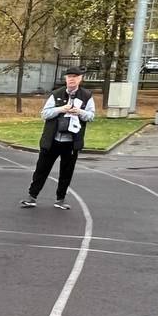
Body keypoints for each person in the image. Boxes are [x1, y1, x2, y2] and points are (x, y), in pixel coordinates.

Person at [21, 66, 96, 210]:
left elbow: (91, 116)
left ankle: (60, 199)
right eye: (69, 77)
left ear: (80, 79)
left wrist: (79, 112)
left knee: (66, 172)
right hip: (52, 140)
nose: (72, 79)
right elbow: (44, 114)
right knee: (41, 169)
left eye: (75, 77)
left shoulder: (87, 96)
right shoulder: (56, 94)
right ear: (65, 79)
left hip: (71, 142)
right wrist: (60, 109)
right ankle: (32, 197)